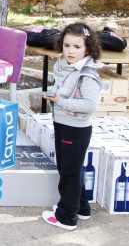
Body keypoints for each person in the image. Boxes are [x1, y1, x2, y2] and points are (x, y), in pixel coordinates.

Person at [41, 22, 103, 231]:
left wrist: (61, 101)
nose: (70, 51)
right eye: (67, 45)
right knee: (71, 169)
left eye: (77, 47)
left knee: (69, 172)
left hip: (75, 128)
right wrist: (54, 95)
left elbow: (90, 105)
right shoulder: (63, 66)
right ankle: (81, 208)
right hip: (62, 122)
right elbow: (62, 89)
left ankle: (66, 216)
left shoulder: (87, 74)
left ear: (87, 48)